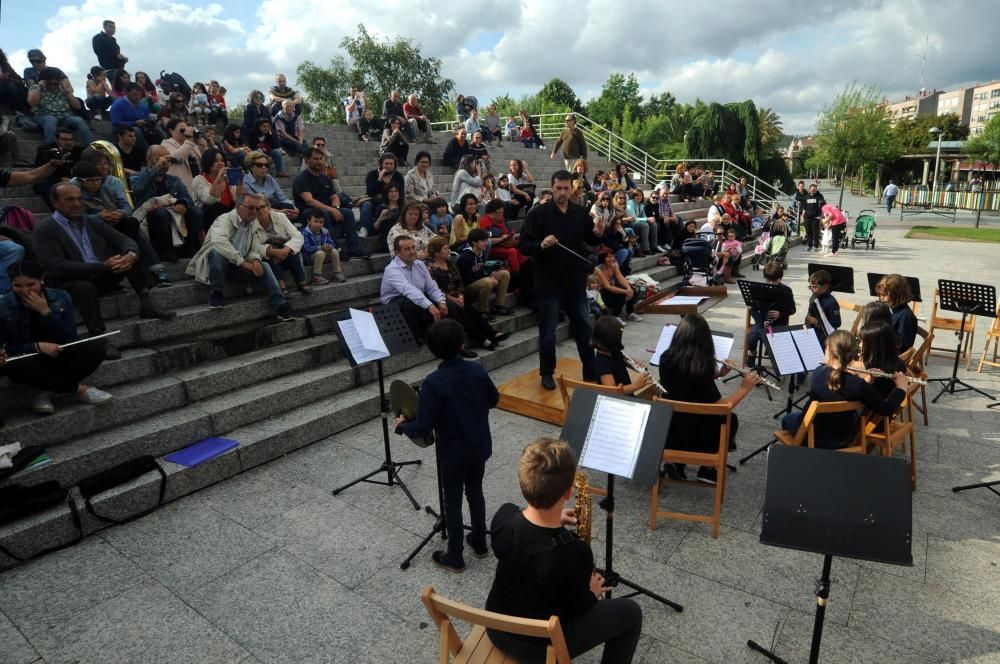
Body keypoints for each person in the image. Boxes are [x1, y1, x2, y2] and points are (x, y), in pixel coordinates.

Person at [485, 437, 643, 664]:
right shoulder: (574, 552)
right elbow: (579, 606)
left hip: (496, 627)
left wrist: (551, 516)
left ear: (523, 484)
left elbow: (523, 525)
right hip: (539, 648)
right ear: (568, 492)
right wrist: (592, 591)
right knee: (631, 613)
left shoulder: (502, 518)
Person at [395, 318, 498, 570]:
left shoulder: (433, 382)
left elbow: (422, 427)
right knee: (476, 492)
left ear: (432, 350)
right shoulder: (477, 370)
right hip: (479, 445)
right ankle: (480, 542)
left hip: (453, 453)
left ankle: (455, 555)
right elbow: (494, 399)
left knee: (451, 501)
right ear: (462, 343)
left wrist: (402, 426)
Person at [33, 182, 176, 355]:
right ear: (55, 202)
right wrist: (102, 266)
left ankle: (146, 303)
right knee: (84, 287)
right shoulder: (45, 229)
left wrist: (130, 255)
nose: (77, 204)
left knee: (129, 259)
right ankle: (98, 336)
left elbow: (125, 240)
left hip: (99, 273)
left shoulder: (91, 221)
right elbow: (57, 267)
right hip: (67, 283)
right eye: (70, 199)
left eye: (79, 199)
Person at [521, 171, 606, 389]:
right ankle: (547, 372)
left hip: (574, 281)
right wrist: (541, 245)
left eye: (566, 188)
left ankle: (590, 370)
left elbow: (590, 238)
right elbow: (524, 246)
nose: (562, 193)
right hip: (548, 282)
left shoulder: (580, 212)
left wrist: (598, 232)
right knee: (548, 331)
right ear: (552, 187)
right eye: (558, 188)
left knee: (584, 328)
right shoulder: (538, 214)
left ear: (571, 189)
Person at [0, 259, 112, 414]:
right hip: (28, 357)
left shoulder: (60, 297)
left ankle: (48, 391)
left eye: (30, 284)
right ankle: (78, 390)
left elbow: (69, 337)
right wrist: (36, 346)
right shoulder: (4, 305)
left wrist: (46, 312)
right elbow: (5, 349)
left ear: (40, 280)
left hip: (58, 351)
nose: (25, 290)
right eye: (18, 286)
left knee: (95, 349)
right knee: (12, 364)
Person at [659, 314, 759, 482]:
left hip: (671, 424)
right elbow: (722, 406)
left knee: (691, 415)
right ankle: (707, 468)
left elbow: (686, 382)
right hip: (697, 430)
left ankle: (676, 461)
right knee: (730, 418)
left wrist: (719, 373)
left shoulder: (665, 357)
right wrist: (744, 388)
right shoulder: (701, 366)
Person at [779, 330, 907, 448]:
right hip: (842, 440)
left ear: (828, 350)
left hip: (811, 437)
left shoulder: (818, 373)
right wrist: (901, 388)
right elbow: (885, 409)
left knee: (787, 419)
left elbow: (840, 386)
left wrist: (869, 380)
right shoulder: (858, 385)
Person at [185, 192, 297, 320]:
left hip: (238, 265)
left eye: (257, 208)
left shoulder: (253, 223)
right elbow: (220, 242)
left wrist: (255, 259)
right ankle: (216, 293)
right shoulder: (223, 219)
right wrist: (242, 262)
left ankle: (281, 306)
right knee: (216, 252)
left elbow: (255, 246)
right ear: (238, 206)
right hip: (219, 266)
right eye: (250, 207)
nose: (255, 211)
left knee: (264, 265)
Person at [71, 159, 171, 288]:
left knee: (132, 224)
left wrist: (120, 213)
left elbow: (126, 206)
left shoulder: (110, 182)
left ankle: (153, 271)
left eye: (98, 180)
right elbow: (76, 218)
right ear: (81, 181)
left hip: (114, 221)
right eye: (91, 181)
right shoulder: (73, 191)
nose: (95, 184)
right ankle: (152, 271)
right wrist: (98, 216)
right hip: (90, 229)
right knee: (131, 232)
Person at [426, 236, 509, 352]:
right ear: (436, 252)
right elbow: (434, 289)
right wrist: (453, 299)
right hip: (444, 298)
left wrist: (460, 296)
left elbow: (459, 281)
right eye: (445, 249)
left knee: (472, 310)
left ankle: (492, 334)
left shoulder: (450, 263)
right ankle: (482, 339)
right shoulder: (429, 267)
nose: (448, 250)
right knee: (464, 314)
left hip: (457, 296)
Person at [131, 145, 204, 261]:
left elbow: (187, 198)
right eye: (160, 159)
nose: (165, 162)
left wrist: (182, 204)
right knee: (161, 213)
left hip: (175, 214)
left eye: (167, 159)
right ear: (149, 160)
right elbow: (138, 188)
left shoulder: (173, 180)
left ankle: (190, 245)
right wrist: (156, 168)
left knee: (197, 211)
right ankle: (165, 249)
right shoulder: (137, 177)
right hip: (151, 217)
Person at [293, 148, 367, 258]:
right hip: (309, 213)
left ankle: (354, 248)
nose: (319, 161)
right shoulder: (301, 179)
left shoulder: (325, 178)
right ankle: (336, 249)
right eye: (315, 159)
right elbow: (309, 201)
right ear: (306, 160)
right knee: (324, 213)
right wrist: (331, 210)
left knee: (347, 212)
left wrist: (336, 207)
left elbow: (334, 196)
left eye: (321, 159)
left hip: (326, 209)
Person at [380, 234, 450, 344]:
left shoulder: (420, 264)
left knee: (446, 302)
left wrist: (441, 301)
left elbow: (431, 286)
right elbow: (407, 290)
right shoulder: (392, 269)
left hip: (416, 297)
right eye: (407, 249)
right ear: (397, 252)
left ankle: (452, 339)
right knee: (412, 302)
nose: (412, 251)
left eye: (413, 247)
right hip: (394, 302)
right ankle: (416, 337)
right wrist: (430, 305)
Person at [746, 261, 796, 368]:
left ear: (780, 279)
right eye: (768, 281)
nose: (771, 284)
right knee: (752, 336)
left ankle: (774, 355)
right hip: (762, 321)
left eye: (775, 281)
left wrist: (780, 313)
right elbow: (753, 309)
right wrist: (761, 321)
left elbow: (792, 309)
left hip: (778, 322)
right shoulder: (758, 289)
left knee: (774, 338)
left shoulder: (786, 291)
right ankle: (752, 352)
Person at [255, 199, 310, 295]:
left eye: (262, 207)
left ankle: (301, 281)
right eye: (256, 208)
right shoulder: (251, 224)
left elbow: (297, 236)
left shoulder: (281, 216)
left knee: (292, 251)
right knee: (270, 256)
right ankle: (281, 284)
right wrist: (274, 252)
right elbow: (254, 246)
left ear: (268, 207)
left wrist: (286, 249)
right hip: (268, 252)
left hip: (284, 248)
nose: (260, 210)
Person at [28, 69, 92, 145]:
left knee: (79, 120)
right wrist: (39, 88)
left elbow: (77, 106)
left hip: (65, 117)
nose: (52, 86)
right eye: (49, 84)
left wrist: (68, 92)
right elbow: (32, 103)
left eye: (55, 83)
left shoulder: (62, 88)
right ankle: (49, 145)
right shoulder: (35, 87)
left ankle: (89, 146)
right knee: (51, 120)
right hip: (45, 116)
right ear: (43, 81)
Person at [456, 228, 512, 315]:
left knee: (505, 273)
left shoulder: (481, 253)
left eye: (486, 240)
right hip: (467, 287)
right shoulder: (465, 257)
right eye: (483, 241)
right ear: (474, 242)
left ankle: (498, 306)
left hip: (479, 281)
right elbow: (466, 280)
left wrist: (490, 275)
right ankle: (483, 311)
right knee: (487, 282)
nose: (486, 243)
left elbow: (480, 272)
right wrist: (489, 279)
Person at [591, 316, 651, 395]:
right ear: (611, 340)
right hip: (618, 403)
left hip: (626, 397)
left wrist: (635, 364)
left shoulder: (614, 351)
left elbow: (623, 360)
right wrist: (636, 386)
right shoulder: (602, 363)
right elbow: (612, 392)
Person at [32, 127, 83, 210]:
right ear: (56, 140)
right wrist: (60, 179)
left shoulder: (80, 151)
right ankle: (58, 212)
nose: (69, 142)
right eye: (64, 139)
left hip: (73, 180)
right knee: (42, 182)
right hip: (52, 180)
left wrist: (74, 179)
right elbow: (38, 171)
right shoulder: (45, 150)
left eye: (71, 139)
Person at [192, 148, 243, 229]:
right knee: (217, 207)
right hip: (209, 216)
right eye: (216, 160)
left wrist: (240, 183)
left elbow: (238, 200)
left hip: (228, 214)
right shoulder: (199, 179)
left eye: (222, 160)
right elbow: (209, 200)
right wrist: (218, 180)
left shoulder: (228, 178)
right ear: (208, 162)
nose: (220, 163)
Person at [359, 153, 405, 237]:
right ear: (381, 164)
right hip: (374, 200)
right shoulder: (372, 174)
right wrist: (379, 178)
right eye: (386, 163)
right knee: (367, 205)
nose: (388, 166)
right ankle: (364, 228)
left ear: (395, 165)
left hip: (391, 201)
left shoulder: (397, 176)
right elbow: (370, 192)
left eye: (391, 164)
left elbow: (401, 193)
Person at [242, 150, 297, 220]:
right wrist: (280, 212)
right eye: (259, 165)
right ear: (251, 167)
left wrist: (294, 207)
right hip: (257, 212)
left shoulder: (270, 178)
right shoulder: (245, 181)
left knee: (289, 207)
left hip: (273, 208)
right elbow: (255, 206)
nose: (264, 167)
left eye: (266, 165)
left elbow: (283, 198)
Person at [593, 249, 641, 323]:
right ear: (603, 259)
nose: (612, 259)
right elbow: (607, 286)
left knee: (632, 289)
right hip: (600, 294)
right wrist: (625, 291)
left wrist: (629, 289)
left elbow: (620, 277)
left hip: (611, 288)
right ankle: (615, 316)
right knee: (622, 294)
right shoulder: (598, 270)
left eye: (613, 256)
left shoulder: (614, 264)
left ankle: (630, 313)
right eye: (609, 257)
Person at [301, 208, 346, 284]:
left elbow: (331, 243)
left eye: (321, 222)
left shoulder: (325, 232)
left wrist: (329, 246)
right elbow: (306, 249)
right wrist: (321, 248)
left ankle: (337, 273)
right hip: (310, 257)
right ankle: (316, 277)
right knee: (320, 253)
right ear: (309, 221)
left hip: (323, 254)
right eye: (315, 221)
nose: (318, 224)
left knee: (334, 251)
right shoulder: (305, 233)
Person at [876, 274, 918, 352]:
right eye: (880, 295)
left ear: (896, 295)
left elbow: (903, 345)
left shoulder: (906, 316)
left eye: (884, 295)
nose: (881, 298)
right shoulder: (889, 308)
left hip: (891, 358)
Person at [480, 199, 524, 273]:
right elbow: (486, 241)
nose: (502, 214)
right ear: (491, 213)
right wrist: (501, 238)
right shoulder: (484, 222)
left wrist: (510, 236)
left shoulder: (502, 219)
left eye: (502, 212)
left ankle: (523, 270)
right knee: (512, 252)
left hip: (504, 245)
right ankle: (515, 272)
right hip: (490, 249)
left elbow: (510, 231)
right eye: (500, 212)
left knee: (520, 249)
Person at [160, 118, 202, 194]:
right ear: (170, 131)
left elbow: (200, 159)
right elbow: (176, 158)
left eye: (186, 130)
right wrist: (188, 142)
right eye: (182, 130)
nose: (185, 132)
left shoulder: (189, 144)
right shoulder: (165, 144)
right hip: (180, 186)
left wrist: (199, 143)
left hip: (196, 183)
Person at [805, 269, 841, 347]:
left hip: (825, 339)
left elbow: (836, 323)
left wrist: (817, 322)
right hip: (814, 334)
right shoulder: (815, 296)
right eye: (810, 287)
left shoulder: (831, 302)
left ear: (825, 286)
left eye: (815, 287)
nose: (812, 290)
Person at [800, 183, 826, 252]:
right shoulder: (806, 197)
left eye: (814, 190)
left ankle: (815, 247)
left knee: (815, 233)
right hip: (807, 217)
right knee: (808, 233)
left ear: (816, 190)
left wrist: (821, 217)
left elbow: (823, 207)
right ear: (810, 189)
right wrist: (802, 216)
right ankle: (809, 246)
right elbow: (804, 208)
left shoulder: (819, 197)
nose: (813, 191)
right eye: (812, 190)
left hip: (816, 218)